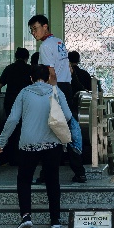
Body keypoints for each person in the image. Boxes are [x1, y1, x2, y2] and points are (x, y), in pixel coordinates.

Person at [0, 62, 81, 228]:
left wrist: (1, 143)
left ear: (30, 78)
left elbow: (13, 119)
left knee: (24, 179)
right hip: (52, 143)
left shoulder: (24, 93)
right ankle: (55, 220)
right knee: (52, 180)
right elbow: (69, 115)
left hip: (29, 144)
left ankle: (26, 216)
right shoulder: (56, 92)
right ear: (47, 77)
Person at [28, 14, 85, 182]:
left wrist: (51, 93)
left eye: (36, 28)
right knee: (68, 127)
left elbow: (51, 73)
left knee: (51, 130)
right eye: (31, 30)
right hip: (66, 87)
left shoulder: (45, 47)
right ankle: (78, 170)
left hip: (56, 88)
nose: (34, 33)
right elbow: (68, 69)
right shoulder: (59, 42)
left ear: (45, 26)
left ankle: (48, 172)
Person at [0, 48, 31, 165]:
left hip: (11, 102)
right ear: (27, 58)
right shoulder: (29, 69)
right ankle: (24, 155)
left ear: (15, 57)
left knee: (11, 127)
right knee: (24, 127)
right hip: (27, 102)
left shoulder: (9, 68)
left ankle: (12, 157)